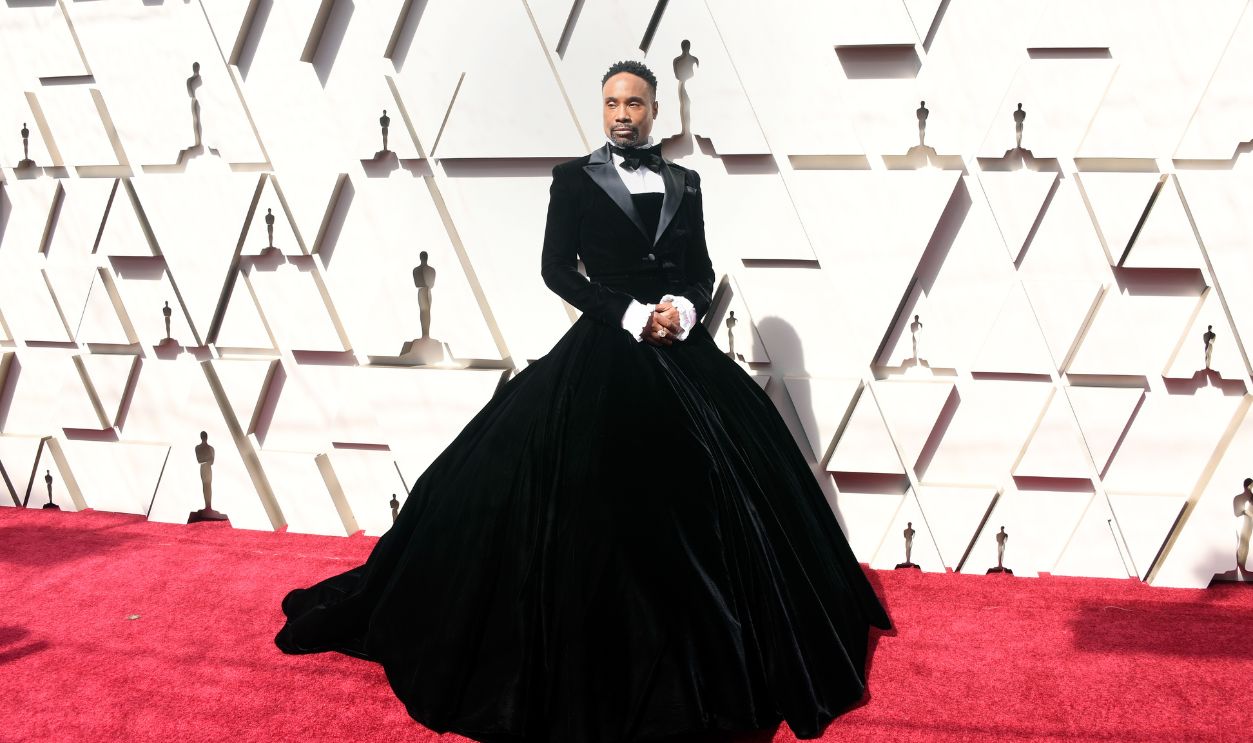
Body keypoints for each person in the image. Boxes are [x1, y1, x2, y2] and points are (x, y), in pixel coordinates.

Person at [275, 59, 890, 743]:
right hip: (605, 343)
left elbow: (699, 267)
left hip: (683, 347)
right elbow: (555, 269)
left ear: (655, 110)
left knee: (727, 490)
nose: (622, 113)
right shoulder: (573, 180)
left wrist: (682, 311)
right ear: (602, 110)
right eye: (611, 103)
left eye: (634, 102)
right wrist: (630, 314)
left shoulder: (685, 181)